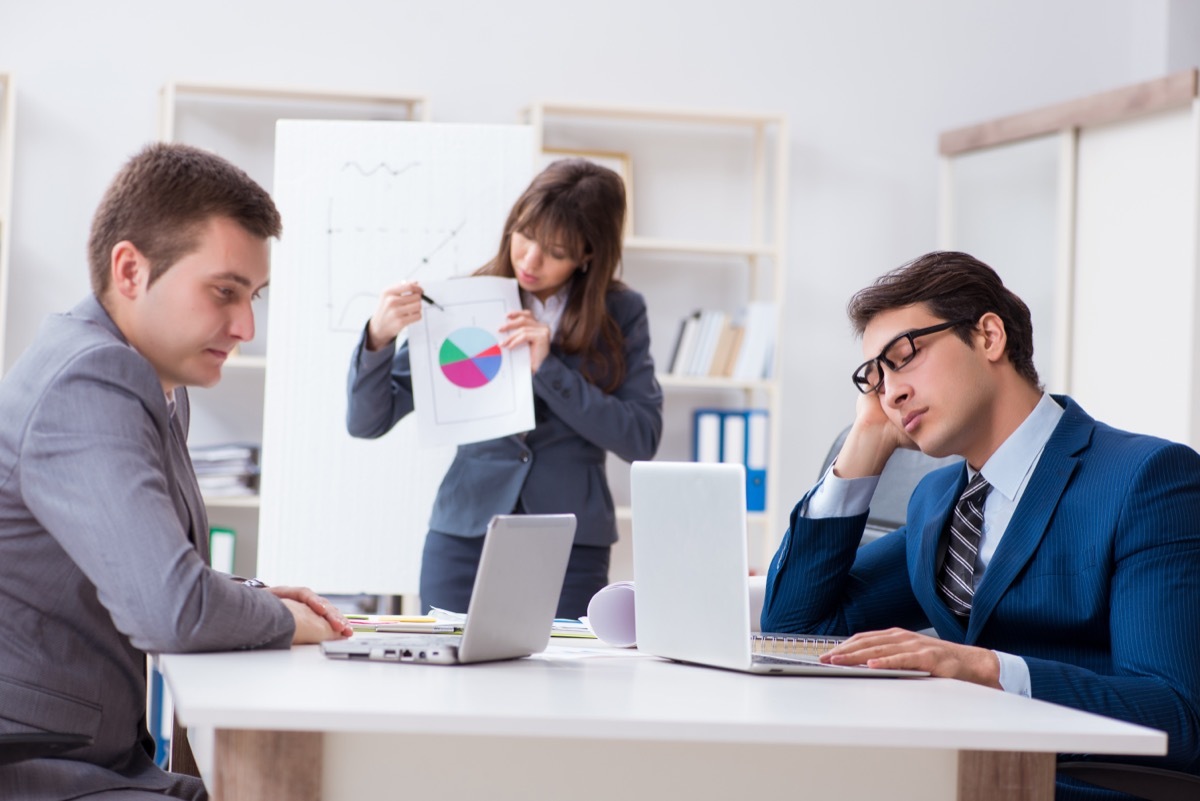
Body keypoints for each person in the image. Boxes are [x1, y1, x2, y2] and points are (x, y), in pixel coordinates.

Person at [761, 251, 1200, 797]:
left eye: (904, 357)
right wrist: (865, 445)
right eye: (874, 381)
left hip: (1072, 783)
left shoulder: (1145, 479)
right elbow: (794, 631)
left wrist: (987, 669)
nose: (890, 393)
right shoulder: (937, 501)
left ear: (989, 336)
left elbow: (1176, 716)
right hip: (952, 774)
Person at [0, 143, 353, 800]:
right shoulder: (91, 378)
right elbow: (173, 609)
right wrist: (279, 618)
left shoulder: (154, 382)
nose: (246, 324)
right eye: (224, 291)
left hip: (93, 750)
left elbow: (152, 564)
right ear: (131, 270)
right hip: (35, 764)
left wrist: (260, 594)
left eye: (253, 296)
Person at [347, 158, 663, 618]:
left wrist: (549, 368)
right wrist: (377, 338)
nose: (531, 261)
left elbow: (641, 438)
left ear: (588, 255)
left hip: (570, 543)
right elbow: (367, 422)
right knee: (447, 677)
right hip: (463, 536)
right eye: (525, 235)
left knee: (563, 683)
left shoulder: (621, 311)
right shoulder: (462, 298)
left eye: (555, 252)